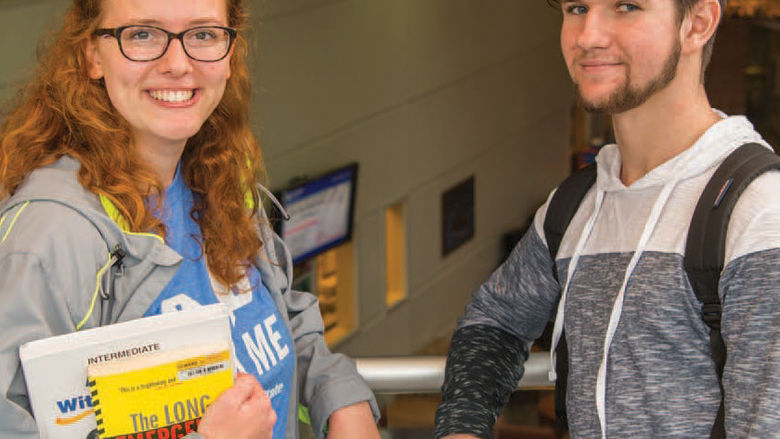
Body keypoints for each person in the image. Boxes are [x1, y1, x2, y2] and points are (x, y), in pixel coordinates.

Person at [0, 1, 380, 438]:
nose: (178, 64)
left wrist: (338, 395)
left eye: (202, 34)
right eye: (142, 34)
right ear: (91, 56)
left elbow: (274, 317)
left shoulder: (218, 178)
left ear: (229, 53)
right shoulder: (49, 239)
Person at [434, 0, 780, 438]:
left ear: (697, 23)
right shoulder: (578, 203)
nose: (588, 35)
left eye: (627, 6)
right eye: (577, 7)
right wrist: (461, 428)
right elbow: (495, 319)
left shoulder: (758, 214)